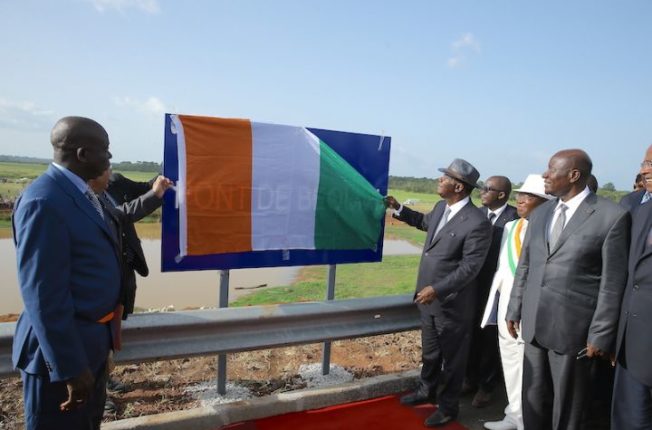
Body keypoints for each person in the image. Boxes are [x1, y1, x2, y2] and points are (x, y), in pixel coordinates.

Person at [506, 149, 630, 430]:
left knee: (568, 410)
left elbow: (612, 283)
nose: (544, 175)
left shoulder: (612, 216)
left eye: (551, 170)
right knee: (534, 401)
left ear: (574, 175)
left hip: (574, 331)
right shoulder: (541, 213)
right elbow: (526, 265)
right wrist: (515, 307)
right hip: (535, 323)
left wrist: (600, 334)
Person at [12, 116, 119, 430]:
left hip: (89, 345)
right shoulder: (44, 201)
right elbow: (43, 294)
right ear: (83, 154)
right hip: (60, 359)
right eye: (105, 151)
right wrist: (70, 367)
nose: (110, 158)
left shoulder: (79, 194)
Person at [385, 158, 492, 427]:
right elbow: (423, 223)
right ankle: (426, 390)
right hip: (428, 299)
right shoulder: (440, 207)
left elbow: (470, 267)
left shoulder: (477, 222)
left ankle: (448, 407)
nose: (439, 181)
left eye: (444, 178)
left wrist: (438, 289)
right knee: (430, 353)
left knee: (453, 361)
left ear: (457, 186)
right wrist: (399, 208)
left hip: (452, 304)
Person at [480, 174, 553, 430]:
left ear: (545, 202)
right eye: (520, 194)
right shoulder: (512, 227)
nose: (520, 200)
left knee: (530, 369)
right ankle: (514, 415)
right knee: (510, 361)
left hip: (530, 308)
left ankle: (529, 420)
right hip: (505, 307)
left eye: (528, 196)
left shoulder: (549, 229)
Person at [465, 176, 518, 408]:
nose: (482, 192)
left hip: (498, 289)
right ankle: (470, 378)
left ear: (502, 194)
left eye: (488, 189)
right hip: (473, 287)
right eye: (482, 188)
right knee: (472, 335)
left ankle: (487, 386)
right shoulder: (477, 215)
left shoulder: (515, 219)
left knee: (489, 339)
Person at [612, 145, 652, 429]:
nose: (644, 170)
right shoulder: (633, 206)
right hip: (633, 336)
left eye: (651, 164)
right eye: (645, 162)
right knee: (631, 417)